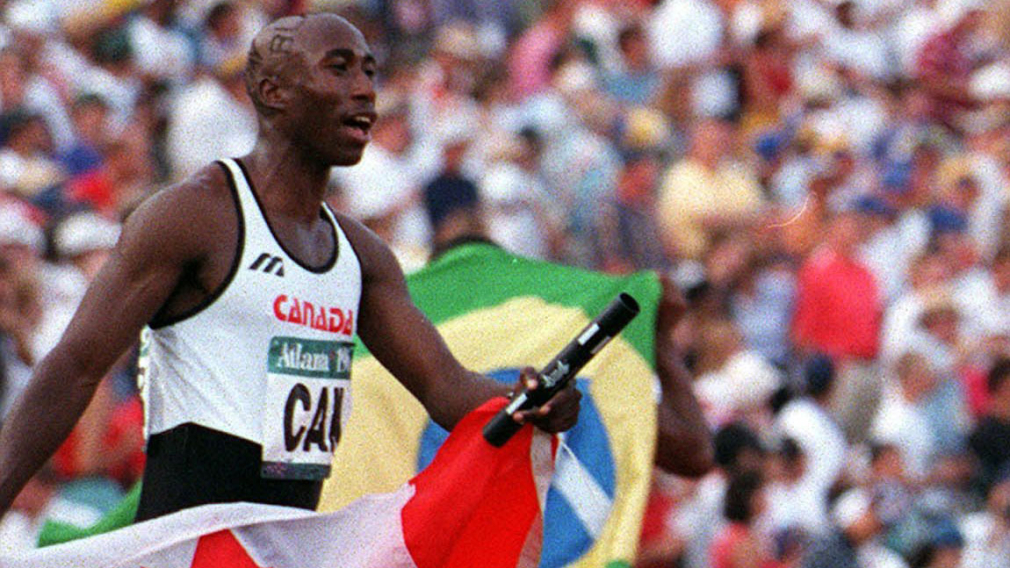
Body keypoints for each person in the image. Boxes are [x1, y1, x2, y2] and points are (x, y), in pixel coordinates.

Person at [0, 13, 581, 523]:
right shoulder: (193, 217)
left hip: (291, 543)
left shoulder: (363, 256)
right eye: (340, 68)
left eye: (371, 72)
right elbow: (73, 369)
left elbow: (447, 389)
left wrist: (532, 399)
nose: (365, 92)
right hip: (191, 544)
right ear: (274, 91)